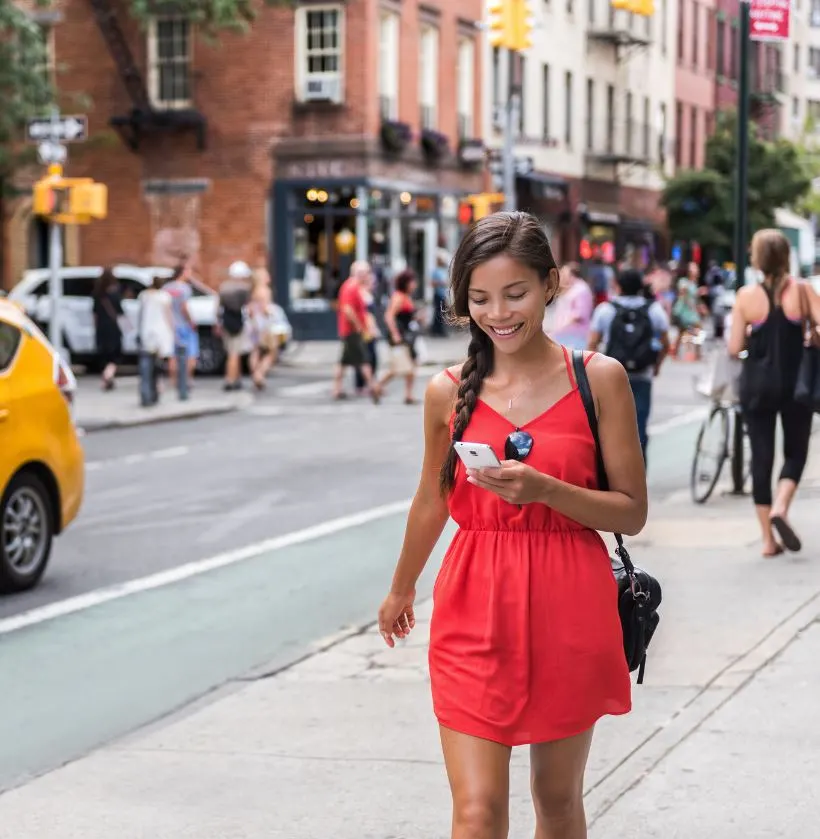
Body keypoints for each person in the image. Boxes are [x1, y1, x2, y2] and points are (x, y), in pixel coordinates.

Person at [377, 211, 647, 839]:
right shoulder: (447, 391)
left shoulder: (598, 379)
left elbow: (631, 511)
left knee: (555, 799)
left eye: (515, 293)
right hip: (474, 602)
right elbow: (431, 499)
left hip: (570, 605)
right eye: (479, 299)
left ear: (551, 284)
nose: (497, 313)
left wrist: (544, 490)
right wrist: (400, 589)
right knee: (476, 812)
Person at [728, 229, 820, 558]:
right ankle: (781, 505)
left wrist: (754, 333)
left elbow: (735, 346)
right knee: (795, 452)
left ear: (757, 258)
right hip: (797, 384)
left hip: (756, 385)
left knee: (762, 459)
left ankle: (768, 540)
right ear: (785, 256)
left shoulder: (745, 296)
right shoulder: (803, 291)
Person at [588, 268, 671, 465]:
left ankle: (611, 474)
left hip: (610, 378)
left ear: (618, 285)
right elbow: (666, 342)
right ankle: (638, 475)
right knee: (639, 426)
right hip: (643, 375)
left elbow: (592, 344)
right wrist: (657, 365)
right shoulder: (653, 309)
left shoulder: (606, 310)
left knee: (608, 426)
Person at [332, 260, 380, 402]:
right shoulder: (351, 287)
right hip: (352, 330)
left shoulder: (354, 286)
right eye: (366, 272)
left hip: (350, 330)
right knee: (364, 359)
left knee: (343, 361)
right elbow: (347, 309)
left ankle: (337, 388)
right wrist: (358, 325)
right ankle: (373, 387)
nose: (368, 275)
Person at [378, 268, 421, 404]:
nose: (414, 285)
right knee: (400, 366)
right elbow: (389, 316)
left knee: (411, 364)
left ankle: (408, 394)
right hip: (400, 336)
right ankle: (378, 386)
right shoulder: (398, 297)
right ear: (406, 283)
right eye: (412, 282)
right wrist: (395, 334)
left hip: (408, 336)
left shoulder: (406, 296)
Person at [137, 275, 175, 406]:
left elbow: (141, 315)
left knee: (145, 366)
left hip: (147, 332)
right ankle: (155, 393)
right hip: (161, 333)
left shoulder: (144, 296)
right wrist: (172, 332)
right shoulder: (164, 297)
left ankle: (145, 394)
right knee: (157, 367)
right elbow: (168, 316)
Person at [219, 260, 253, 391]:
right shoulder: (243, 289)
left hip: (226, 321)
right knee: (234, 353)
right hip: (238, 322)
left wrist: (218, 322)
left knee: (232, 352)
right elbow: (248, 307)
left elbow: (218, 306)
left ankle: (236, 378)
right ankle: (230, 379)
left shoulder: (224, 287)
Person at [549, 262, 594, 350]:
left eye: (564, 273)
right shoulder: (572, 288)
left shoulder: (581, 290)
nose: (561, 275)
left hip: (575, 338)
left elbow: (579, 315)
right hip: (567, 337)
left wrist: (559, 330)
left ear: (572, 275)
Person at [92, 268, 124, 391]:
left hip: (101, 327)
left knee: (103, 355)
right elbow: (120, 312)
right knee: (115, 356)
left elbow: (94, 313)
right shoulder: (115, 293)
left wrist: (96, 328)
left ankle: (107, 381)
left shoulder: (97, 294)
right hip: (113, 327)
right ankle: (108, 375)